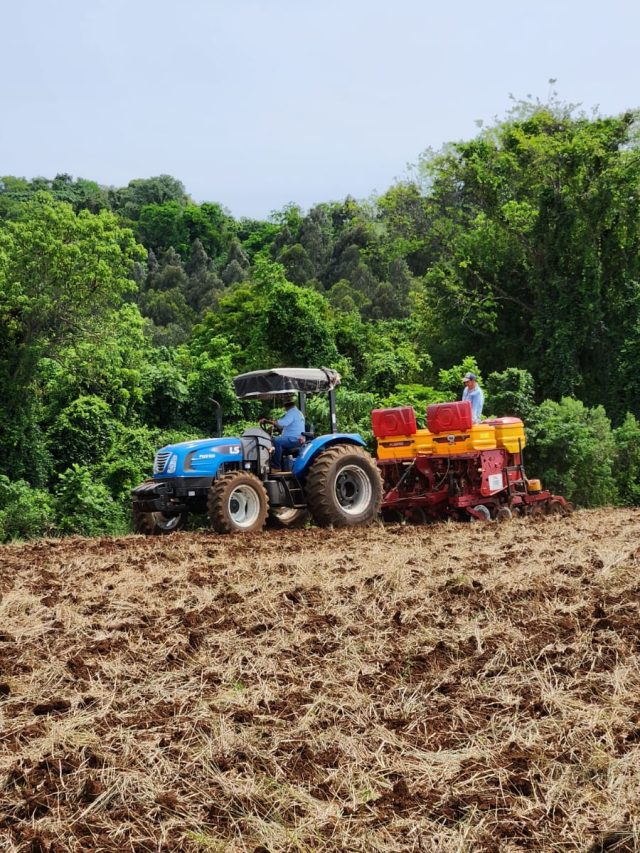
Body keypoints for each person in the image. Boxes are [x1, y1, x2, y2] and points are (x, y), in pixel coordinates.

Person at [260, 398, 305, 471]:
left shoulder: (292, 412)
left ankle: (276, 467)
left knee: (276, 441)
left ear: (286, 406)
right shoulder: (298, 412)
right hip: (295, 438)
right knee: (276, 441)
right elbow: (286, 426)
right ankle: (280, 465)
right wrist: (274, 428)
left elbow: (283, 423)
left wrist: (267, 421)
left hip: (294, 439)